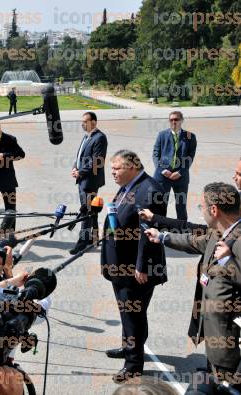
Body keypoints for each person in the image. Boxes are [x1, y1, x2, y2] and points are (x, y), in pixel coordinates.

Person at [145, 183, 241, 389]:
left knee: (227, 387)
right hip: (215, 334)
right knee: (214, 379)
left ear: (214, 210)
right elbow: (193, 241)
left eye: (202, 207)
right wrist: (161, 237)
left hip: (231, 344)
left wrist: (227, 262)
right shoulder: (218, 232)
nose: (201, 211)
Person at [100, 150, 167, 383]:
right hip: (121, 265)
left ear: (132, 166)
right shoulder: (130, 185)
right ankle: (128, 347)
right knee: (128, 313)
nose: (113, 172)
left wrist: (141, 267)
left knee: (133, 315)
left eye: (117, 168)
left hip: (135, 269)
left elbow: (147, 234)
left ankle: (134, 365)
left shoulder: (150, 190)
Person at [70, 111, 108, 255]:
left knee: (85, 210)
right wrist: (75, 167)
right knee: (91, 209)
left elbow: (97, 160)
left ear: (94, 122)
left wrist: (81, 172)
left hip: (90, 181)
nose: (82, 124)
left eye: (85, 121)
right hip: (82, 179)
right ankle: (94, 238)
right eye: (82, 121)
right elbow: (79, 155)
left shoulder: (100, 138)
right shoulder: (87, 137)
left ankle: (82, 243)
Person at [152, 111, 197, 221]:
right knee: (160, 205)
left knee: (181, 206)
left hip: (180, 177)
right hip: (163, 176)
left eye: (176, 119)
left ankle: (182, 231)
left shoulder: (190, 136)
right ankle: (159, 229)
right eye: (171, 120)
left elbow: (190, 157)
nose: (173, 122)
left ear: (182, 120)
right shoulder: (162, 135)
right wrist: (162, 170)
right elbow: (155, 154)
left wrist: (180, 172)